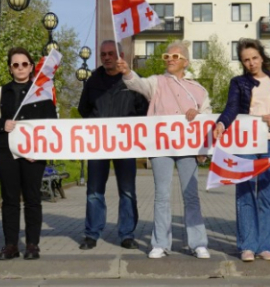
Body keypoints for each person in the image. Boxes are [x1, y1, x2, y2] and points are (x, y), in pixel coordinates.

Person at [117, 41, 211, 259]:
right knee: (162, 195)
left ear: (185, 62)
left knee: (191, 195)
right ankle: (160, 243)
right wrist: (127, 71)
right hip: (161, 146)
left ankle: (198, 243)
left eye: (175, 57)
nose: (170, 59)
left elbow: (207, 117)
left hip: (188, 147)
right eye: (167, 57)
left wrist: (197, 115)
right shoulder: (157, 83)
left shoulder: (198, 90)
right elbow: (137, 84)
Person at [214, 38, 270, 262]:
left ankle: (268, 245)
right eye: (246, 60)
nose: (251, 63)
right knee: (246, 190)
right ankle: (247, 245)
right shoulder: (238, 82)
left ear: (262, 56)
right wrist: (221, 123)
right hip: (245, 140)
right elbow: (231, 108)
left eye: (254, 58)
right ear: (242, 62)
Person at [0, 47, 58, 260]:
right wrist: (2, 124)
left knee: (33, 198)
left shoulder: (41, 93)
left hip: (33, 154)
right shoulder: (0, 92)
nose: (20, 68)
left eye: (24, 64)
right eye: (15, 65)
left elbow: (50, 124)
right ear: (10, 68)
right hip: (6, 151)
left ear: (31, 66)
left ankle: (32, 244)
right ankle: (10, 245)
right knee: (10, 199)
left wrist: (39, 149)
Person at [77, 40, 148, 250]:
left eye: (111, 54)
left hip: (126, 145)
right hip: (99, 144)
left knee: (127, 191)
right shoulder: (93, 80)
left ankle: (127, 234)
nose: (107, 57)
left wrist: (127, 127)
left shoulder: (132, 80)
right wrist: (99, 124)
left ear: (121, 56)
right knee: (94, 191)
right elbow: (83, 109)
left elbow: (143, 109)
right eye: (103, 54)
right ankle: (92, 234)